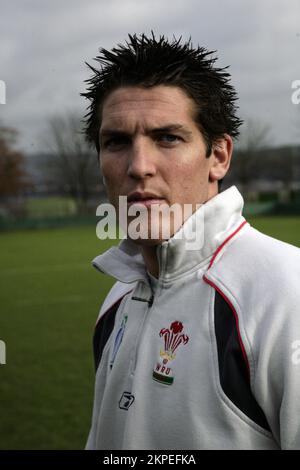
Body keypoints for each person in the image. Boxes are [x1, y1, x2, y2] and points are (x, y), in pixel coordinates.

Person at [81, 33, 300, 450]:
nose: (139, 166)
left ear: (218, 156)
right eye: (117, 142)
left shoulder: (287, 292)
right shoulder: (119, 296)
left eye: (167, 138)